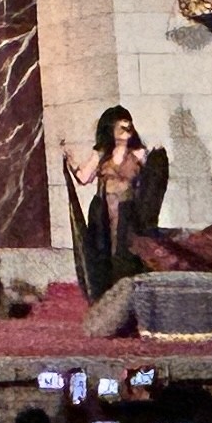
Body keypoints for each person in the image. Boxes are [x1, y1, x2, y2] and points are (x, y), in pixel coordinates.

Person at [63, 105, 164, 298]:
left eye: (129, 126)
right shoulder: (102, 154)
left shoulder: (139, 154)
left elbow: (152, 179)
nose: (127, 130)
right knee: (103, 251)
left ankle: (126, 296)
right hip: (103, 212)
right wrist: (70, 162)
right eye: (122, 127)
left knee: (125, 252)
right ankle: (105, 295)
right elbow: (84, 178)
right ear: (111, 129)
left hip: (127, 211)